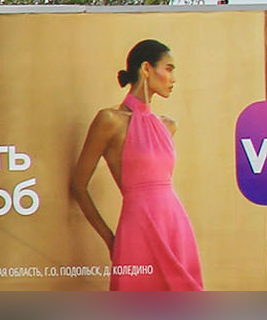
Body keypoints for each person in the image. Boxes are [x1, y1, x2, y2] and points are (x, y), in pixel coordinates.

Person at [69, 38, 204, 291]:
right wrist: (110, 240)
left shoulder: (168, 126)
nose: (173, 78)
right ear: (146, 69)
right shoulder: (109, 120)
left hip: (175, 225)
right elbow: (78, 185)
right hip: (137, 229)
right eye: (169, 68)